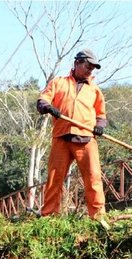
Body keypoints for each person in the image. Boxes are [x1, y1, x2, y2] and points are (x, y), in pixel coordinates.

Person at [37, 49, 108, 220]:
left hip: (86, 138)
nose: (90, 70)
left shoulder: (95, 90)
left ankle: (98, 216)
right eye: (88, 66)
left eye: (93, 68)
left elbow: (101, 114)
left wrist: (99, 125)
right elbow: (42, 100)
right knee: (54, 179)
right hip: (61, 137)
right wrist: (46, 106)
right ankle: (49, 216)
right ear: (77, 63)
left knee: (93, 178)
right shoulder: (59, 83)